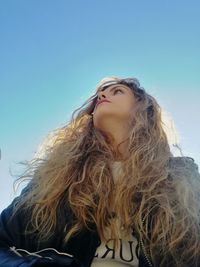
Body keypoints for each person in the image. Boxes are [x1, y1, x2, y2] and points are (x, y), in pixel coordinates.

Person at [0, 76, 200, 267]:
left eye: (117, 91)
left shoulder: (179, 175)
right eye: (100, 94)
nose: (102, 96)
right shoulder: (56, 177)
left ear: (142, 109)